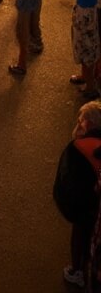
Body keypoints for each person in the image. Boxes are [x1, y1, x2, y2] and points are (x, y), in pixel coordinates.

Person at [53, 100, 101, 290]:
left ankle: (77, 270)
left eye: (80, 121)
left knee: (81, 237)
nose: (78, 124)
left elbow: (68, 183)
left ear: (89, 124)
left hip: (87, 210)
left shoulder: (79, 148)